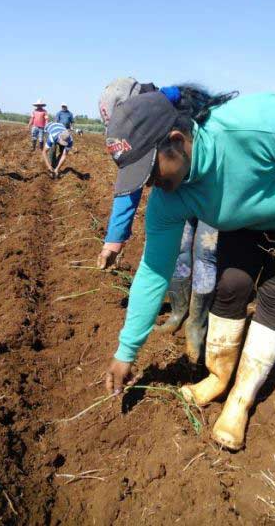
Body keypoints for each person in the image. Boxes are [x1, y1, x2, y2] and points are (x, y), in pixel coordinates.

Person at [103, 87, 275, 451]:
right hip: (245, 224)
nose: (149, 185)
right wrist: (127, 351)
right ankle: (219, 378)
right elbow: (154, 270)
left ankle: (241, 399)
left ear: (177, 141)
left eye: (150, 171)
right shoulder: (169, 198)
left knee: (274, 298)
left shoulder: (252, 126)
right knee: (230, 289)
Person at [97, 78, 218, 362]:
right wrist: (114, 239)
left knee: (206, 251)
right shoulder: (138, 132)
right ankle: (178, 311)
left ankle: (197, 323)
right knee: (178, 252)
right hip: (176, 194)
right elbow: (130, 187)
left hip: (211, 193)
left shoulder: (159, 118)